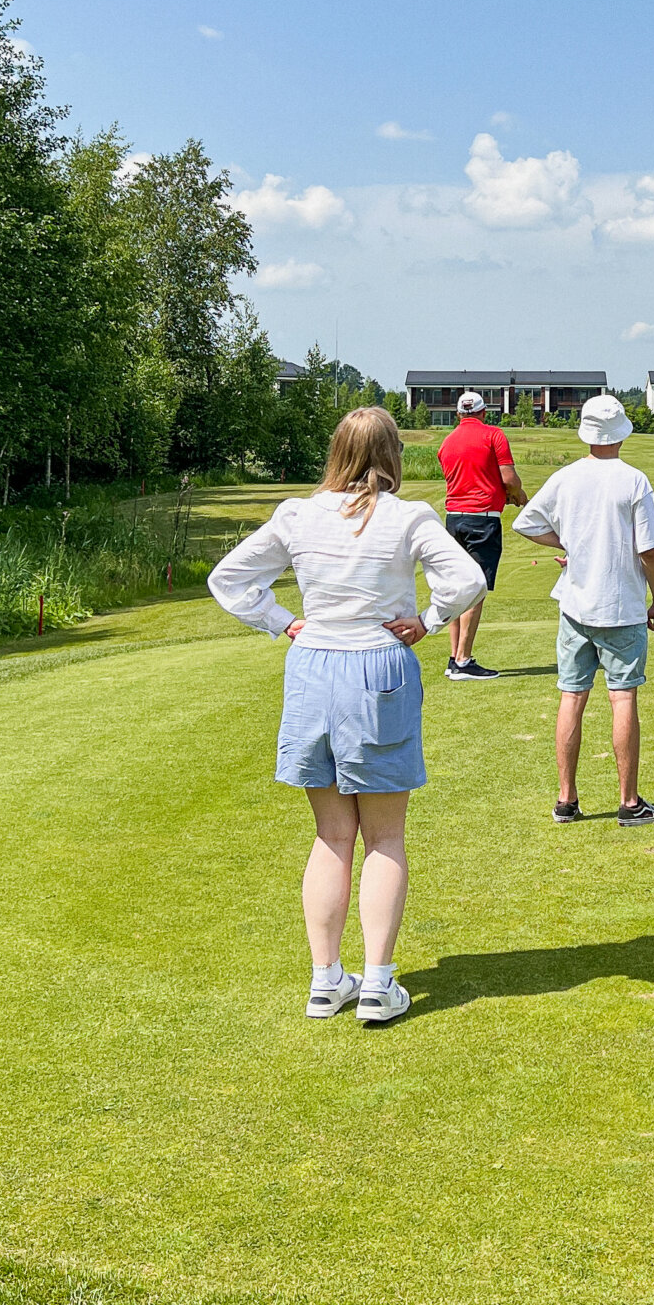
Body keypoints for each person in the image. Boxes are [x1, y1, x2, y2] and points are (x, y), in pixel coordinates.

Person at [208, 405, 485, 1027]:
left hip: (313, 668)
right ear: (391, 455)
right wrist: (429, 621)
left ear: (337, 452)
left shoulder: (298, 514)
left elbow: (229, 579)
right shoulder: (408, 516)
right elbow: (466, 578)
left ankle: (326, 980)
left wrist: (282, 622)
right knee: (384, 837)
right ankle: (377, 984)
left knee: (331, 835)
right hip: (378, 666)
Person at [512, 392, 654, 825]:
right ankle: (629, 802)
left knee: (572, 696)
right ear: (621, 433)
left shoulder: (566, 477)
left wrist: (569, 543)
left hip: (575, 604)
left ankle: (566, 800)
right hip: (621, 606)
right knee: (622, 698)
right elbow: (648, 551)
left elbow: (526, 522)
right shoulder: (634, 480)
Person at [436, 389, 529, 681]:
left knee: (457, 588)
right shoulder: (493, 435)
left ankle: (454, 658)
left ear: (458, 414)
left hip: (454, 519)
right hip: (483, 520)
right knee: (476, 589)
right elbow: (508, 478)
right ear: (483, 412)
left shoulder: (447, 442)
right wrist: (518, 494)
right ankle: (463, 661)